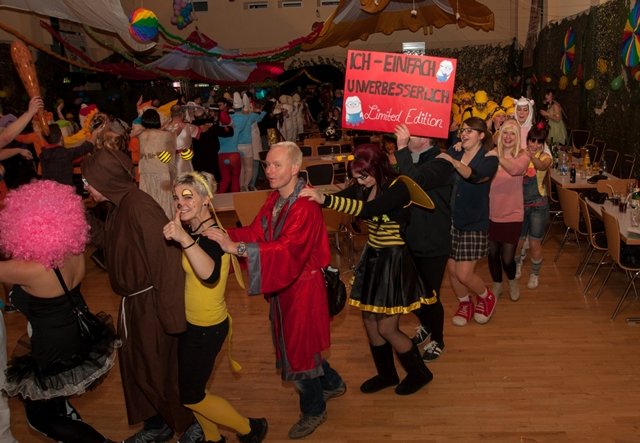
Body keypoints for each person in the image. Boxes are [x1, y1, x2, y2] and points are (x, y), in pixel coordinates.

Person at [204, 142, 345, 440]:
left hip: (303, 289)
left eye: (276, 165)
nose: (268, 170)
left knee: (298, 351)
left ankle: (314, 409)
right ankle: (332, 383)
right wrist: (222, 236)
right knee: (300, 344)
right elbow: (257, 232)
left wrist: (236, 247)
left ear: (294, 168)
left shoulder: (304, 206)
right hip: (288, 287)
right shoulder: (276, 198)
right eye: (267, 164)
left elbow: (287, 249)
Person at [80, 149, 198, 443]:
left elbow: (166, 262)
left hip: (150, 303)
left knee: (158, 370)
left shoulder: (139, 206)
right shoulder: (118, 206)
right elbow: (108, 242)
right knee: (138, 369)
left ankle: (191, 426)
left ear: (105, 178)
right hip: (133, 304)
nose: (85, 186)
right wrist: (80, 218)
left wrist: (171, 317)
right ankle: (157, 424)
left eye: (88, 180)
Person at [300, 143, 433, 396]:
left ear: (378, 167)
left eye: (364, 176)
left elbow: (369, 210)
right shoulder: (363, 186)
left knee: (386, 328)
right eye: (357, 177)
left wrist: (324, 198)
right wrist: (308, 195)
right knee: (370, 322)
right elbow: (340, 199)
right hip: (373, 257)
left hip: (394, 261)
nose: (360, 181)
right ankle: (387, 374)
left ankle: (420, 373)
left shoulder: (398, 187)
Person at [0, 180, 117, 443]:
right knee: (57, 401)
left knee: (41, 418)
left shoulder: (30, 270)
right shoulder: (75, 252)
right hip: (76, 335)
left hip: (52, 346)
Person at [162, 171, 268, 443]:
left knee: (191, 396)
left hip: (206, 329)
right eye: (177, 197)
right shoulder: (196, 231)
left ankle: (249, 429)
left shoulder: (212, 236)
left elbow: (208, 275)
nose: (181, 202)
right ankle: (213, 438)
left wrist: (183, 239)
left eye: (188, 196)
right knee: (193, 391)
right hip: (193, 324)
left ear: (206, 199)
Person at [394, 124, 454, 362]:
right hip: (410, 239)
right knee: (410, 294)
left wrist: (401, 148)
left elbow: (415, 182)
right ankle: (427, 325)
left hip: (433, 241)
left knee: (430, 296)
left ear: (427, 137)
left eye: (413, 133)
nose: (407, 136)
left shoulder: (442, 162)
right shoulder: (411, 160)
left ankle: (438, 338)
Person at [437, 117, 499, 326]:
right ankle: (465, 303)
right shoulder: (455, 151)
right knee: (452, 270)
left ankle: (486, 296)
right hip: (452, 219)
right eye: (462, 130)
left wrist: (454, 162)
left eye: (469, 131)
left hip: (474, 221)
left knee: (464, 273)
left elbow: (475, 177)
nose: (463, 134)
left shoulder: (489, 158)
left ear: (481, 135)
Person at [487, 120, 530, 302]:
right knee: (492, 254)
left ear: (517, 137)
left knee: (507, 258)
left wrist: (498, 157)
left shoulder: (523, 155)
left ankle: (512, 281)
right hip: (490, 213)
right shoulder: (491, 154)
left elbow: (515, 170)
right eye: (505, 132)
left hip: (513, 214)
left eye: (512, 133)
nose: (508, 137)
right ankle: (497, 284)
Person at [515, 124, 553, 289]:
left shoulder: (545, 157)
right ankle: (517, 265)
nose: (535, 145)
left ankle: (534, 273)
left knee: (534, 243)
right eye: (532, 140)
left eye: (539, 142)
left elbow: (541, 166)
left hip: (539, 205)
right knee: (518, 242)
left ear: (543, 144)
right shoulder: (519, 153)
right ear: (528, 140)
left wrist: (530, 156)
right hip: (519, 205)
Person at [137, 108, 177, 219]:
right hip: (161, 169)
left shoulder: (141, 135)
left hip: (145, 170)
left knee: (148, 198)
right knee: (164, 200)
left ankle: (150, 221)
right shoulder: (166, 135)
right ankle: (165, 222)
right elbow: (171, 156)